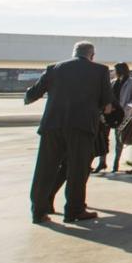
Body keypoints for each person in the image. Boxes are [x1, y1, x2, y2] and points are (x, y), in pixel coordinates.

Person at [26, 40, 114, 224]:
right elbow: (107, 105)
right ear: (92, 55)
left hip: (52, 126)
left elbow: (32, 94)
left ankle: (38, 212)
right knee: (77, 170)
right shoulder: (100, 71)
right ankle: (74, 211)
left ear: (74, 53)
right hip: (81, 127)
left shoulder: (54, 68)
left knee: (44, 169)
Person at [109, 62, 132, 173]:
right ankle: (103, 163)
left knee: (119, 139)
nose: (113, 72)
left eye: (115, 70)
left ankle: (115, 164)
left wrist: (126, 108)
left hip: (124, 115)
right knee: (106, 137)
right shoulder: (113, 82)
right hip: (111, 114)